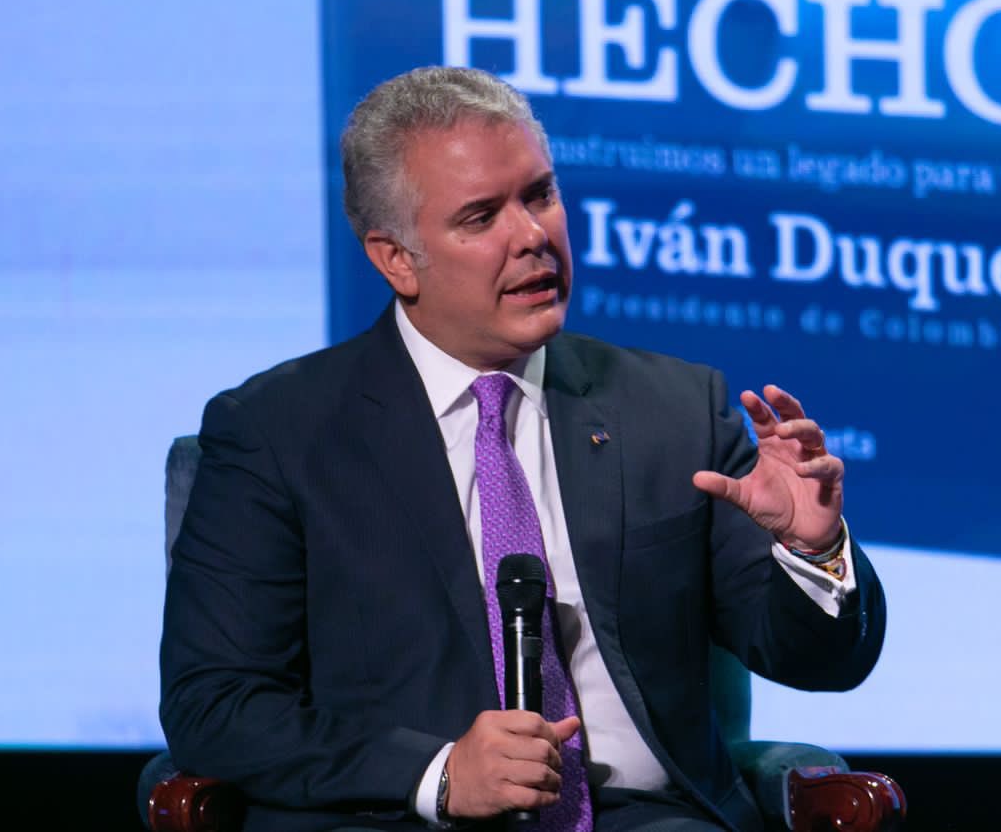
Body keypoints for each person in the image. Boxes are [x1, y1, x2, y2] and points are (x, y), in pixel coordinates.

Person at [160, 66, 887, 832]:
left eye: (540, 195)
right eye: (481, 217)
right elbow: (217, 705)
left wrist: (813, 550)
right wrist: (438, 774)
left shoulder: (674, 411)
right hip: (400, 817)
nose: (533, 236)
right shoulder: (281, 433)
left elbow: (820, 663)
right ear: (395, 257)